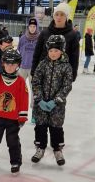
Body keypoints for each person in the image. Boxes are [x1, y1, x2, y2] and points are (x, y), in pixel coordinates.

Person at [0, 49, 28, 173]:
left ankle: (15, 162)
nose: (9, 67)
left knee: (12, 142)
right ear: (3, 64)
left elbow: (24, 99)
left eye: (13, 64)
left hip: (13, 119)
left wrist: (22, 116)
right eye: (7, 64)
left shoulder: (20, 82)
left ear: (18, 65)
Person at [31, 35, 73, 166]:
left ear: (62, 51)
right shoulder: (43, 64)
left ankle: (57, 150)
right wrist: (39, 99)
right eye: (51, 51)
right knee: (40, 127)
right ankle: (40, 148)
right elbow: (36, 82)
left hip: (57, 106)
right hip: (41, 105)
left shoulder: (66, 66)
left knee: (56, 129)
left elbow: (67, 86)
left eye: (56, 51)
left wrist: (56, 101)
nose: (53, 53)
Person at [31, 2, 80, 82]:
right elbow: (37, 53)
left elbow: (74, 57)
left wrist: (72, 75)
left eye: (62, 14)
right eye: (56, 14)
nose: (59, 17)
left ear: (66, 17)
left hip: (61, 77)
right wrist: (33, 71)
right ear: (53, 16)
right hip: (43, 74)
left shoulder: (73, 35)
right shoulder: (44, 33)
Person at [18, 18, 40, 82]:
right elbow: (19, 50)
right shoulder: (22, 38)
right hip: (22, 67)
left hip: (33, 68)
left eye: (34, 26)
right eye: (30, 26)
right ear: (28, 27)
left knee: (33, 88)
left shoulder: (40, 38)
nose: (32, 28)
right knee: (20, 87)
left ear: (37, 27)